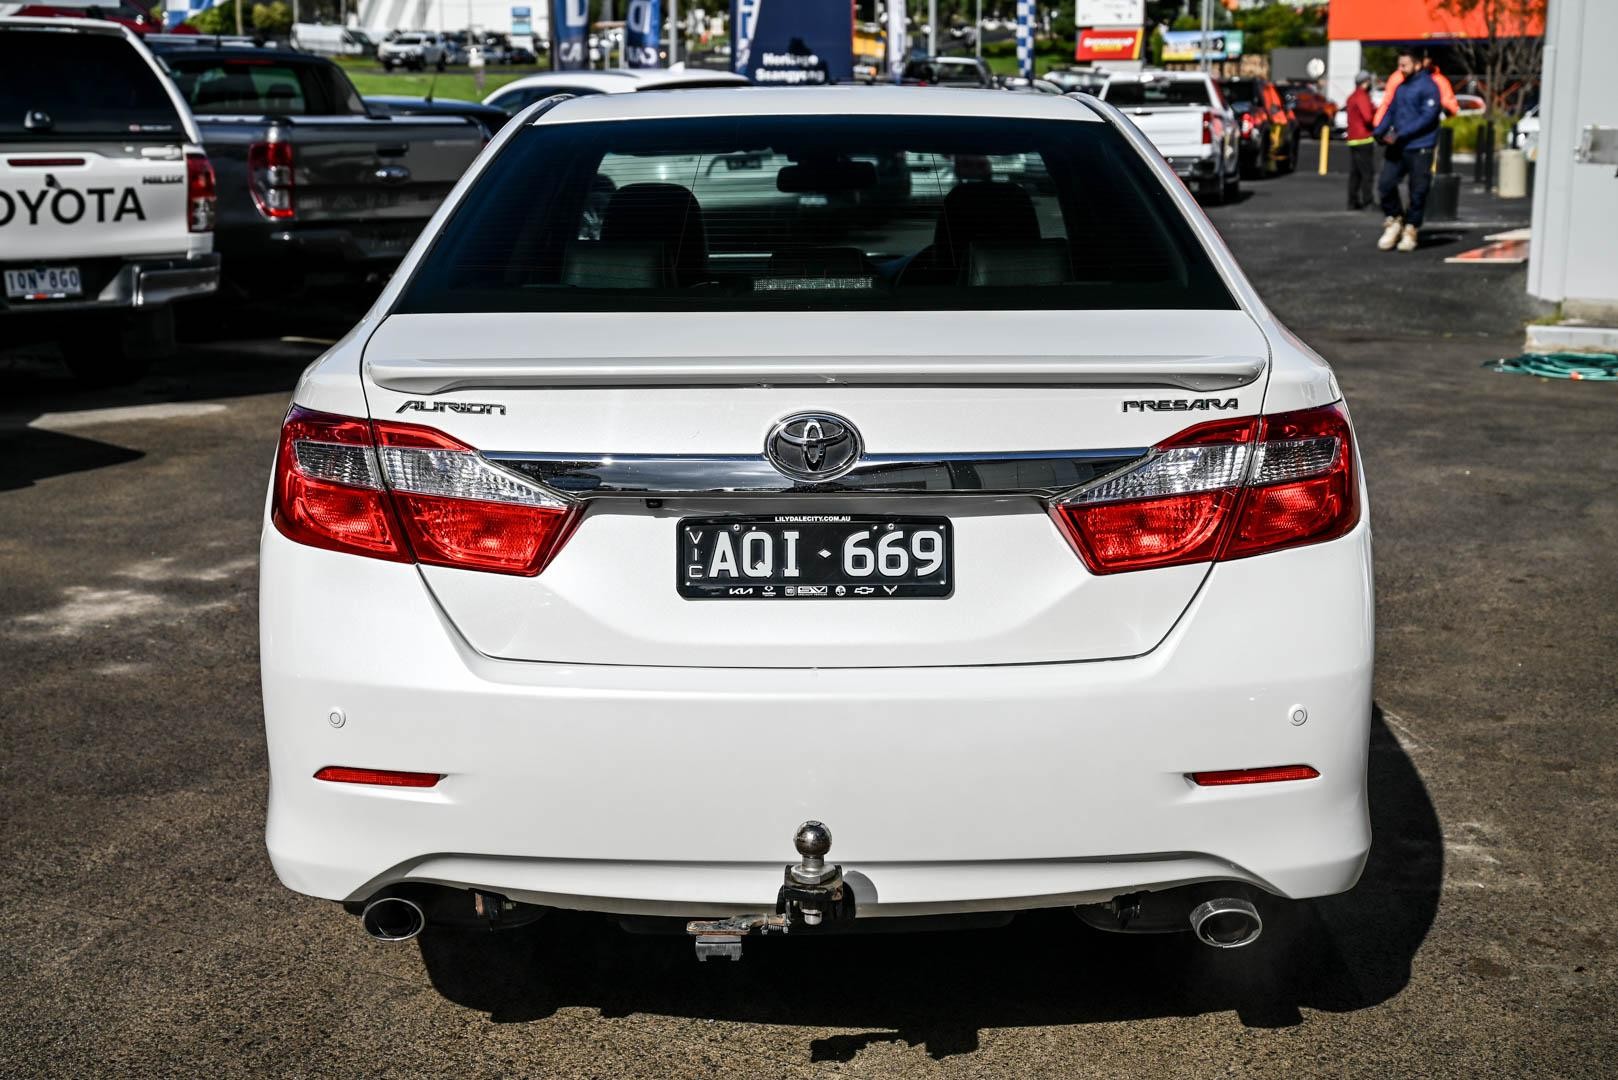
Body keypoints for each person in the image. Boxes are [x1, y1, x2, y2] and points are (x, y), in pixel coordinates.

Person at [1372, 50, 1443, 253]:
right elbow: (1391, 112)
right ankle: (1394, 219)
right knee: (1385, 184)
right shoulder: (1401, 88)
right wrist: (1379, 131)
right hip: (1399, 145)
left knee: (1417, 189)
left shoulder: (1430, 87)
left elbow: (1427, 117)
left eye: (1404, 65)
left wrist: (1402, 133)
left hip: (1420, 146)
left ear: (1418, 65)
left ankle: (1411, 228)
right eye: (1399, 65)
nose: (1400, 69)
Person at [1373, 52, 1460, 125]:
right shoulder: (1438, 80)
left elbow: (1387, 103)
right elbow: (1388, 103)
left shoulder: (1396, 77)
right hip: (1415, 132)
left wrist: (1379, 124)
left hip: (1405, 130)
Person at [1345, 71, 1377, 209]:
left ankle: (1352, 202)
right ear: (1366, 82)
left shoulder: (1351, 97)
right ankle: (1368, 201)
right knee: (1367, 172)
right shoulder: (1362, 96)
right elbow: (1368, 117)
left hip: (1353, 139)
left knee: (1355, 173)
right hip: (1363, 138)